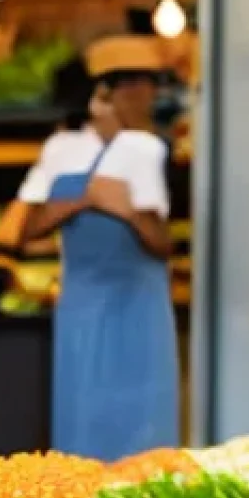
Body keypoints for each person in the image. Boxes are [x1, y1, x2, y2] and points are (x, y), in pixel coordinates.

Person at [17, 35, 179, 462]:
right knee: (81, 419)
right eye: (143, 85)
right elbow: (26, 229)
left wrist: (124, 210)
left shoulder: (144, 148)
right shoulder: (60, 149)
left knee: (145, 428)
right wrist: (81, 200)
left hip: (138, 308)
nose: (150, 96)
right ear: (108, 90)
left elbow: (160, 242)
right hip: (83, 307)